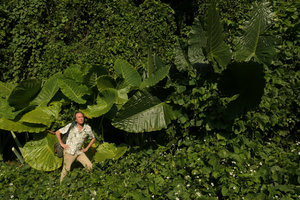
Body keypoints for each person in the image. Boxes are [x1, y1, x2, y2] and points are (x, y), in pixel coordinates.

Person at [56, 111, 96, 183]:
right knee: (66, 171)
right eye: (79, 117)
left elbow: (93, 138)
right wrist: (61, 143)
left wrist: (86, 148)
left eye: (82, 117)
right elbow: (57, 132)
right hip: (69, 152)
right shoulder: (71, 126)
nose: (81, 119)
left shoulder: (87, 128)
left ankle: (90, 182)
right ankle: (61, 186)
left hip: (79, 152)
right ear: (76, 120)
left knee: (90, 167)